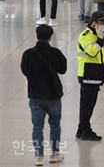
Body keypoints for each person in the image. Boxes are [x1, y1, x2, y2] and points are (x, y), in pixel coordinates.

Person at [21, 25, 67, 165]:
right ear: (50, 37)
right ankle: (55, 153)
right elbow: (63, 69)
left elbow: (24, 70)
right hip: (53, 95)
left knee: (37, 126)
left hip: (35, 95)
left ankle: (38, 156)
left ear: (36, 35)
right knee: (55, 124)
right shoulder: (55, 53)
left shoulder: (28, 54)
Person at [76, 11, 104, 141]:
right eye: (102, 23)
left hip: (96, 73)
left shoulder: (98, 36)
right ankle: (85, 130)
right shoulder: (85, 36)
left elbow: (102, 54)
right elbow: (91, 52)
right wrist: (100, 39)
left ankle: (81, 129)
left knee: (89, 104)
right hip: (88, 74)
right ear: (95, 23)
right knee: (87, 105)